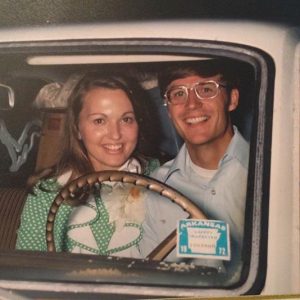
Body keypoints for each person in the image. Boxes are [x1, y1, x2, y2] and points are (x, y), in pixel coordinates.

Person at [16, 72, 159, 258]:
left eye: (126, 119)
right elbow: (30, 269)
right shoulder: (47, 194)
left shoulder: (161, 177)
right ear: (77, 129)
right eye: (99, 121)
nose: (115, 135)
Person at [140, 60, 249, 271]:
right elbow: (147, 272)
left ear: (232, 99)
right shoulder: (157, 185)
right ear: (169, 109)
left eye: (206, 89)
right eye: (179, 94)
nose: (192, 105)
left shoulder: (272, 175)